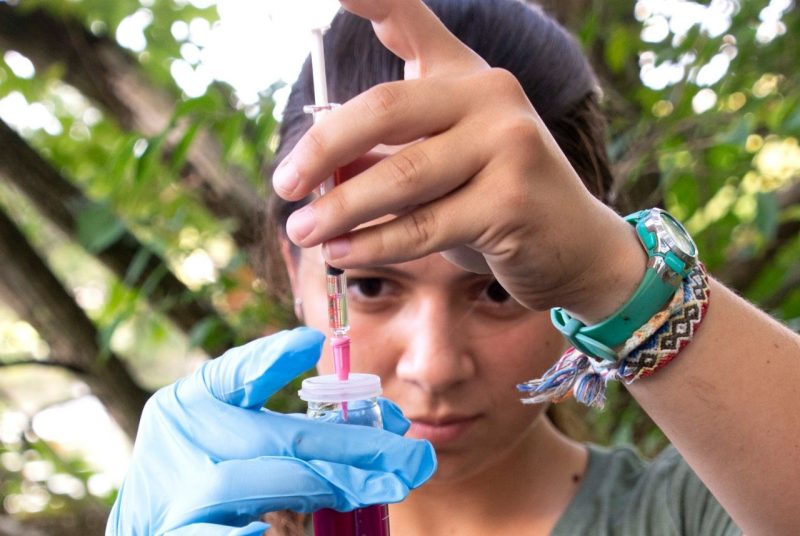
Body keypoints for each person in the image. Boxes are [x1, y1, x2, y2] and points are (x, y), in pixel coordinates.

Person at [107, 0, 800, 535]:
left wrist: (616, 277)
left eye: (496, 290)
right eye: (373, 286)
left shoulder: (698, 513)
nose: (434, 368)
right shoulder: (210, 520)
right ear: (295, 275)